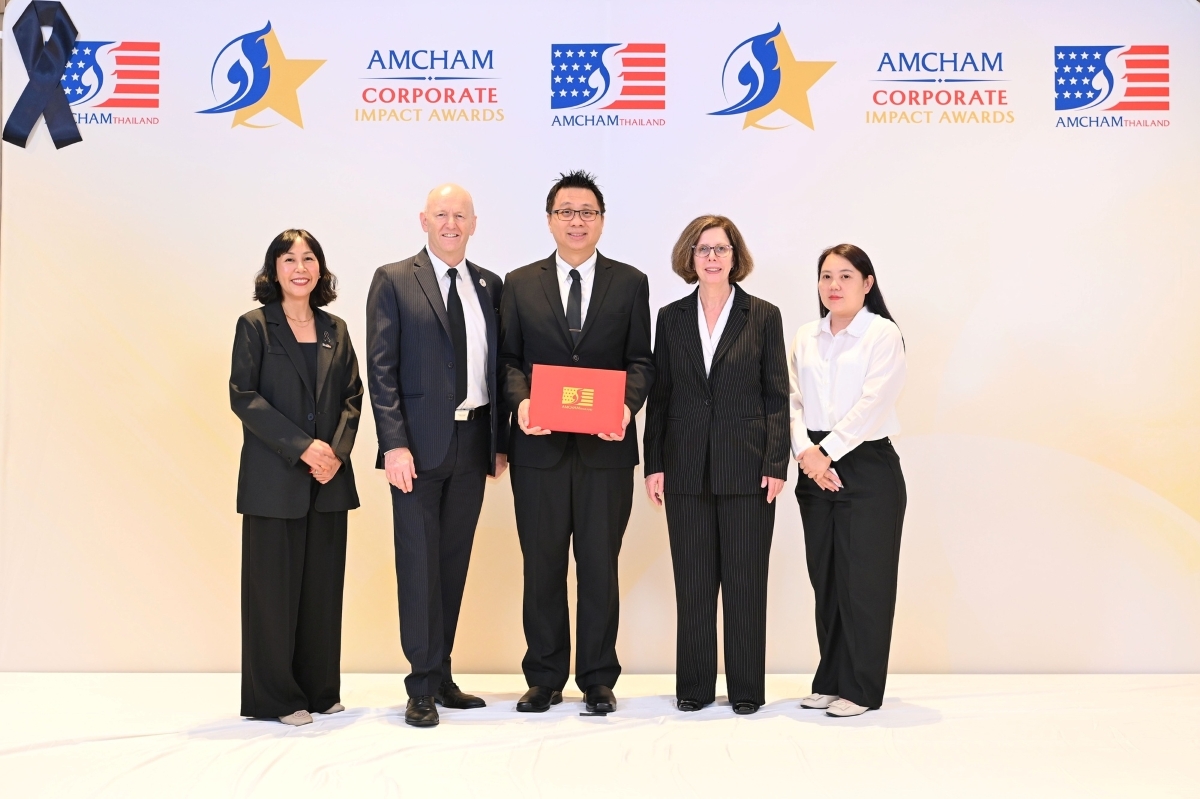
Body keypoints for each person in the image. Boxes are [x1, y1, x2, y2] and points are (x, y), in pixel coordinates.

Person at [498, 170, 654, 714]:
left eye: (587, 212)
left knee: (599, 566)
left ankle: (597, 677)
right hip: (538, 451)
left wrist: (626, 408)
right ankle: (543, 677)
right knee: (541, 566)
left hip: (605, 451)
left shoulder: (630, 283)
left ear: (602, 221)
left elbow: (640, 361)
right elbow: (508, 360)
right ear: (549, 220)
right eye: (566, 211)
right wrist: (521, 403)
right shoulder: (519, 283)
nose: (576, 221)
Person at [365, 184, 509, 728]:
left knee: (452, 564)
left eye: (461, 215)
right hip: (416, 450)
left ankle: (442, 673)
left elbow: (496, 368)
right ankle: (420, 685)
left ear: (474, 223)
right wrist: (393, 443)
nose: (451, 223)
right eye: (442, 214)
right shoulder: (394, 279)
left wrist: (498, 443)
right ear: (424, 220)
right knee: (419, 566)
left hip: (473, 444)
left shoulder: (489, 285)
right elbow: (381, 369)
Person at [643, 216, 789, 715]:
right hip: (684, 467)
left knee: (746, 583)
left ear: (735, 256)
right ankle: (695, 686)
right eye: (703, 249)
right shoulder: (671, 318)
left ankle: (746, 689)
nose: (711, 257)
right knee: (694, 584)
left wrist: (775, 461)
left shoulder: (763, 316)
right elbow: (660, 397)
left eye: (721, 249)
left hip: (748, 468)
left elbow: (776, 395)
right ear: (690, 256)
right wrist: (654, 463)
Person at [230, 229, 363, 726]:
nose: (300, 268)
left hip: (328, 481)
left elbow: (353, 396)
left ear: (320, 269)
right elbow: (244, 397)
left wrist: (335, 454)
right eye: (289, 259)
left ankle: (320, 690)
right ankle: (276, 698)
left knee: (322, 591)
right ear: (274, 270)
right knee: (272, 594)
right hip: (274, 481)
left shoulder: (335, 329)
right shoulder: (255, 326)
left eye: (309, 259)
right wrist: (303, 447)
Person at [789, 243, 907, 718]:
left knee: (865, 582)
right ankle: (831, 679)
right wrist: (806, 453)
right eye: (826, 276)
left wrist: (826, 453)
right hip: (813, 464)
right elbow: (790, 399)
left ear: (867, 283)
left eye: (845, 276)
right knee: (828, 580)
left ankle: (861, 687)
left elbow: (874, 403)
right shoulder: (806, 335)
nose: (833, 285)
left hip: (866, 464)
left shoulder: (882, 334)